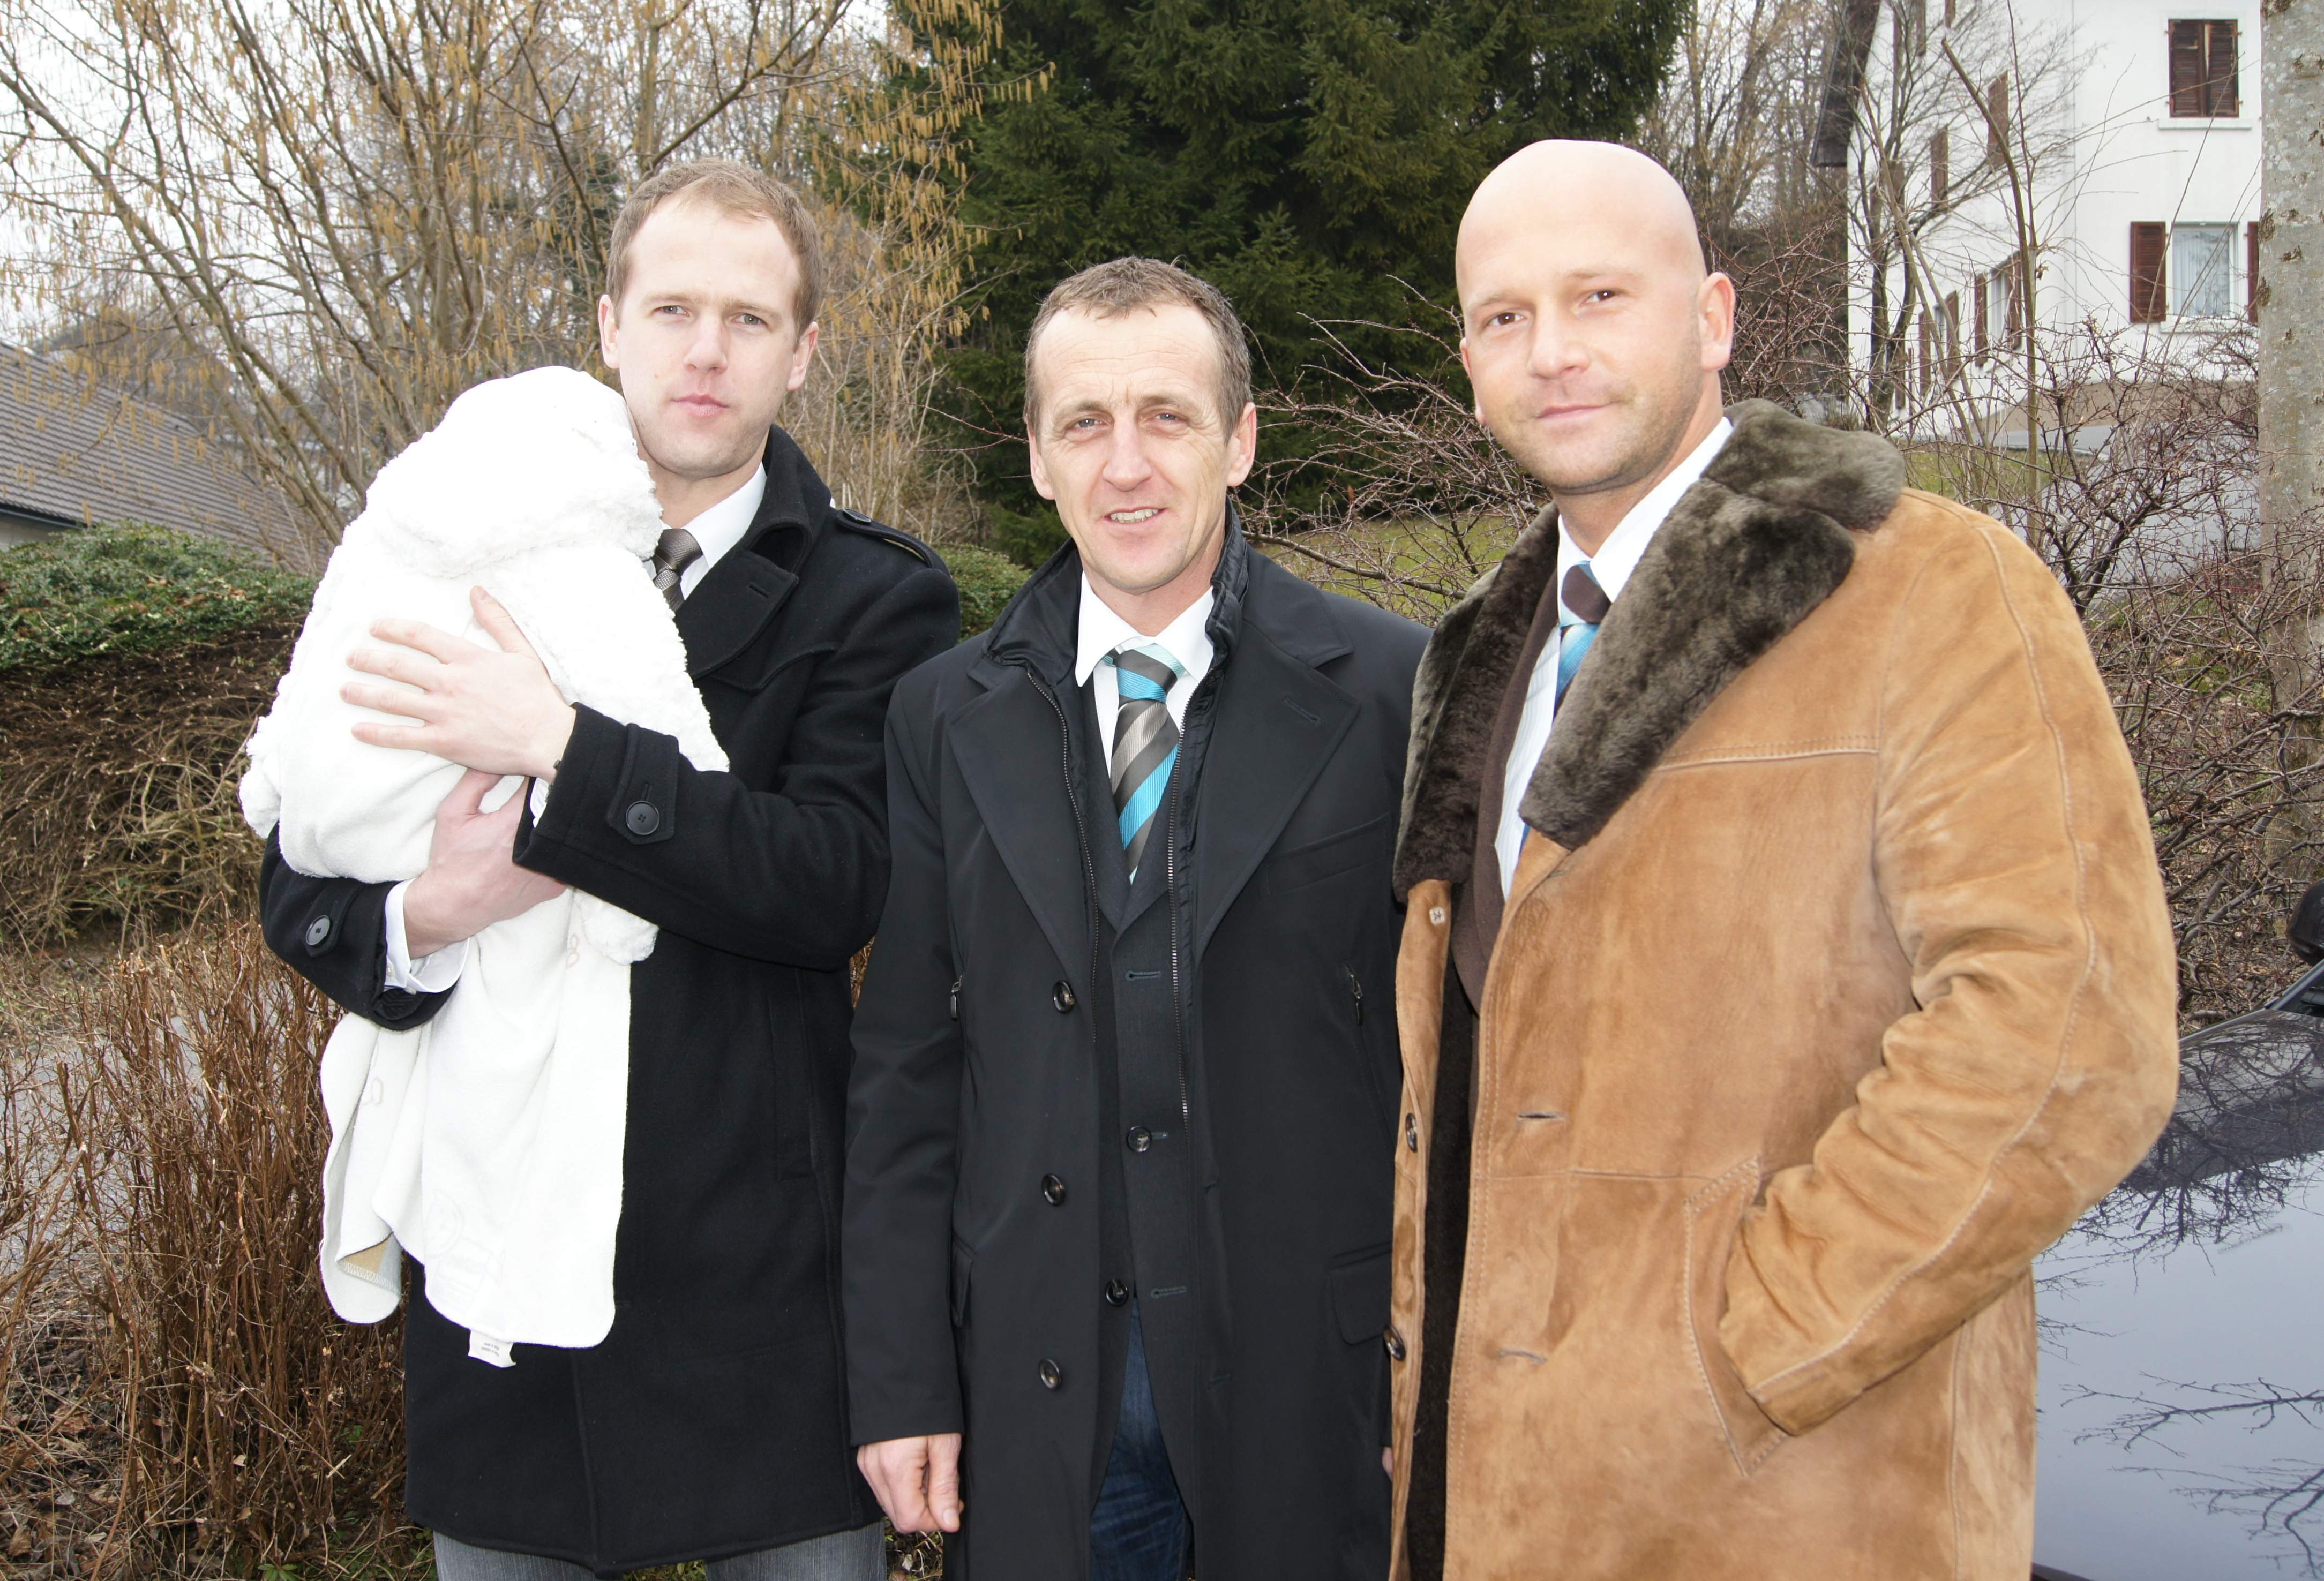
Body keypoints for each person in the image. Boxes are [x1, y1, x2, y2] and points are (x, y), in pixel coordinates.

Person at [1384, 140, 2179, 1579]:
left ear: (1713, 319)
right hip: (1503, 1509)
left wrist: (1739, 1351)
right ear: (1470, 367)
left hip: (1802, 1509)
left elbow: (2071, 1035)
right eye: (1506, 317)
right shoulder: (1481, 653)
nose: (1552, 350)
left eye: (1600, 295)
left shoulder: (1933, 587)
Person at [258, 159, 959, 1579]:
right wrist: (436, 909)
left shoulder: (876, 596)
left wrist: (564, 756)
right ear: (609, 326)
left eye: (750, 319)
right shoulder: (446, 553)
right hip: (500, 1273)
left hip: (762, 1281)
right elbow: (304, 877)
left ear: (802, 353)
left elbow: (834, 880)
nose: (707, 351)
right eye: (673, 309)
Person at [842, 257, 1426, 1580]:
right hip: (1039, 1383)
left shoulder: (1391, 690)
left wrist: (1432, 1365)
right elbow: (905, 1067)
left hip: (1310, 1379)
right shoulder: (941, 716)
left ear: (1241, 440)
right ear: (1038, 458)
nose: (1127, 466)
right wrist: (902, 1377)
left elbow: (1446, 1070)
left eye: (1167, 416)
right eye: (1085, 424)